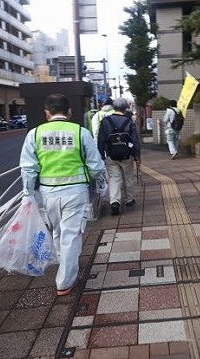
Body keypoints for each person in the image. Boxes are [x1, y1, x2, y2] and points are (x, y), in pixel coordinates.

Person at [19, 93, 107, 296]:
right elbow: (95, 165)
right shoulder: (79, 132)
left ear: (47, 113)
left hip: (48, 194)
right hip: (75, 192)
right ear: (69, 112)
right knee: (70, 234)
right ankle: (65, 280)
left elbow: (28, 168)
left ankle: (65, 264)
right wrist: (102, 185)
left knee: (58, 231)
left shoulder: (34, 134)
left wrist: (28, 193)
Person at [97, 97, 141, 216]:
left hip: (111, 155)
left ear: (114, 107)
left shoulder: (105, 122)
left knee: (114, 177)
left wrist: (101, 155)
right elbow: (135, 140)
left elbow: (100, 140)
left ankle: (115, 201)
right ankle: (129, 199)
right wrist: (137, 156)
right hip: (127, 156)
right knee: (128, 176)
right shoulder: (129, 122)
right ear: (125, 108)